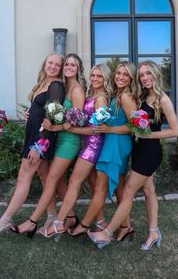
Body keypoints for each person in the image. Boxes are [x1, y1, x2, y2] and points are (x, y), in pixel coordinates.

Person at [88, 60, 178, 249]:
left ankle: (107, 233)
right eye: (142, 75)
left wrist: (146, 135)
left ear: (156, 75)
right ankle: (153, 232)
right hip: (139, 150)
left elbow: (175, 131)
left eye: (148, 74)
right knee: (148, 191)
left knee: (128, 190)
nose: (145, 78)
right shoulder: (144, 96)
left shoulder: (163, 99)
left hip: (150, 152)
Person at [0, 53, 66, 237]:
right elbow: (41, 109)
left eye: (57, 65)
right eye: (50, 62)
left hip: (41, 140)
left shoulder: (56, 85)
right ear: (45, 64)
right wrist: (30, 112)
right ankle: (52, 216)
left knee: (23, 177)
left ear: (60, 69)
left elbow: (55, 116)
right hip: (34, 137)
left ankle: (5, 220)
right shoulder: (43, 84)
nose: (52, 66)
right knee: (44, 178)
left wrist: (38, 146)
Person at [15, 53, 86, 237]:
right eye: (67, 65)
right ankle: (70, 217)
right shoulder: (63, 86)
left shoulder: (77, 89)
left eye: (73, 65)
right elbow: (52, 111)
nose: (69, 67)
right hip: (57, 138)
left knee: (51, 180)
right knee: (58, 180)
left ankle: (32, 221)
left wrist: (55, 127)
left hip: (68, 141)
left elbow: (77, 122)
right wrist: (32, 114)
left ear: (78, 69)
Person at [40, 64, 113, 237]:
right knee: (93, 184)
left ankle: (59, 223)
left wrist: (72, 130)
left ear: (105, 80)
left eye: (99, 77)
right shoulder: (91, 94)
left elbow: (97, 130)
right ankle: (101, 222)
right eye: (93, 75)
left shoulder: (101, 99)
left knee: (73, 182)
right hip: (85, 145)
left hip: (92, 147)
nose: (95, 79)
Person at [71, 61, 137, 241]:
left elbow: (134, 126)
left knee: (100, 187)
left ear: (131, 78)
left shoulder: (126, 96)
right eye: (119, 73)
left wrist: (110, 129)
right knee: (119, 187)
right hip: (113, 141)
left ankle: (83, 225)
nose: (121, 77)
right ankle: (125, 226)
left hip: (116, 142)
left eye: (125, 75)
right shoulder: (118, 94)